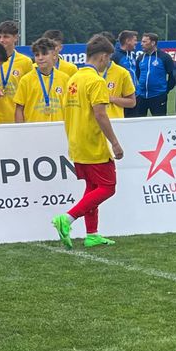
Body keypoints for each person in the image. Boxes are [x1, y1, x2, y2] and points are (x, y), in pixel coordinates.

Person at [52, 35, 125, 248]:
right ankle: (67, 218)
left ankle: (92, 233)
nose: (108, 63)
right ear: (103, 57)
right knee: (108, 187)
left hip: (76, 141)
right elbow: (101, 114)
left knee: (92, 188)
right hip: (92, 144)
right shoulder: (96, 81)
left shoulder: (73, 78)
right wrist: (115, 143)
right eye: (108, 58)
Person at [14, 37, 70, 123]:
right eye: (37, 55)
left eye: (44, 54)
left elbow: (70, 107)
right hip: (34, 130)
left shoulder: (65, 79)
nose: (40, 58)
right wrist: (21, 131)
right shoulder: (26, 80)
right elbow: (19, 108)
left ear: (54, 55)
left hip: (59, 130)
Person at [129, 33, 176, 117]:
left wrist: (165, 91)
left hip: (158, 96)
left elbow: (172, 76)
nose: (141, 44)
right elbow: (137, 75)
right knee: (139, 122)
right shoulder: (140, 58)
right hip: (141, 96)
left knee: (159, 124)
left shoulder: (165, 57)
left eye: (144, 42)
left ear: (153, 43)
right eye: (142, 41)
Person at [101, 36, 137, 119]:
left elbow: (132, 102)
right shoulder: (87, 72)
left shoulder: (122, 73)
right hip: (92, 123)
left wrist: (111, 99)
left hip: (115, 122)